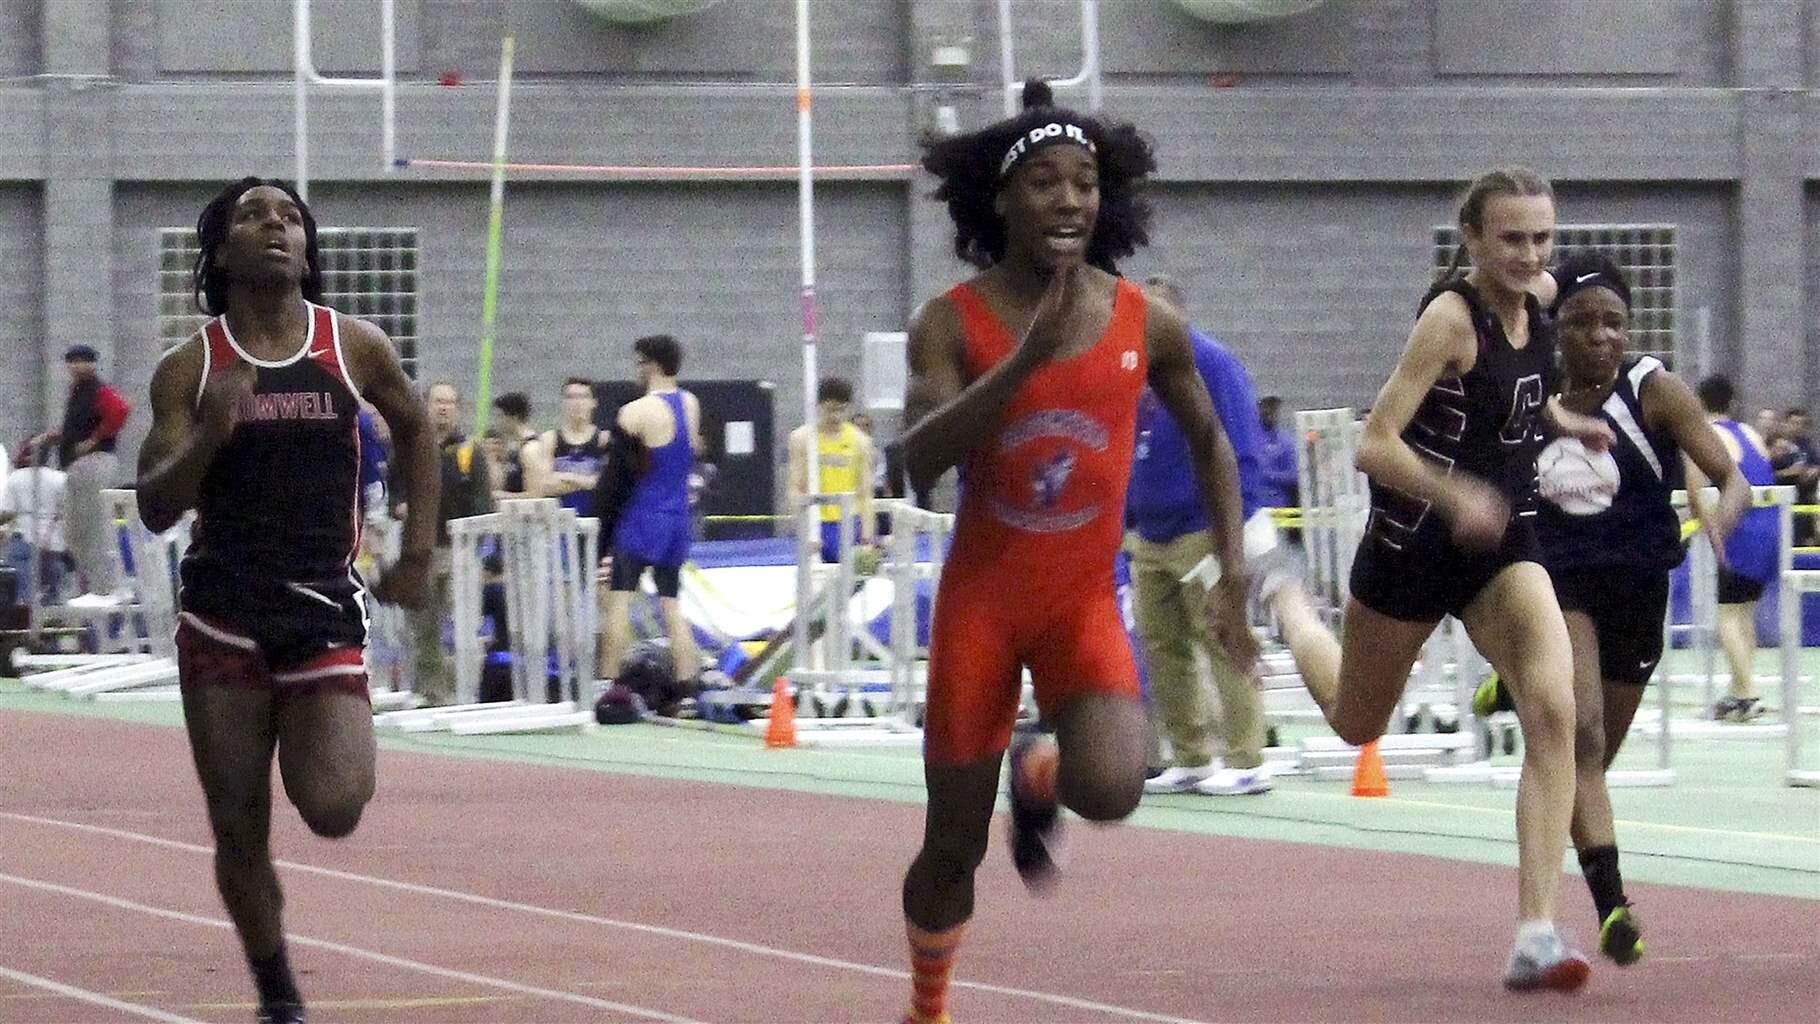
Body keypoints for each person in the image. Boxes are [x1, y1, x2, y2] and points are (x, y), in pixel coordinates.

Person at [890, 80, 1256, 1024]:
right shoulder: (951, 320)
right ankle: (928, 1005)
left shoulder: (1146, 320)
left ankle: (1040, 771)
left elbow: (1212, 441)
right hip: (982, 607)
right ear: (1001, 200)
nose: (1068, 201)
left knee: (1115, 788)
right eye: (1045, 182)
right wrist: (1027, 358)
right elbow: (916, 461)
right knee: (952, 850)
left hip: (1081, 601)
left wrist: (1234, 574)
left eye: (1085, 183)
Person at [1265, 167, 1615, 991]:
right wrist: (1455, 494)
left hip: (1502, 545)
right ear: (1473, 240)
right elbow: (1375, 443)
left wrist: (1565, 424)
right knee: (1356, 722)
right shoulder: (1450, 323)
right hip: (1413, 545)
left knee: (1554, 709)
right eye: (1512, 239)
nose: (1531, 254)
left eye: (1542, 238)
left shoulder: (1542, 302)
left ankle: (1536, 933)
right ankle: (1285, 603)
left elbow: (1517, 400)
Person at [134, 177, 437, 1024]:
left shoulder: (354, 346)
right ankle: (278, 993)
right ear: (220, 252)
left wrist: (419, 551)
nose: (276, 225)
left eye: (291, 217)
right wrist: (208, 434)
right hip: (223, 617)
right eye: (253, 215)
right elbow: (155, 504)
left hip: (320, 609)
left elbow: (416, 427)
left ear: (307, 251)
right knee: (239, 827)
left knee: (336, 807)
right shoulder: (190, 368)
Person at [1506, 255, 1749, 969]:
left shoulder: (1654, 389)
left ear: (1630, 329)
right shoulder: (1535, 395)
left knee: (1589, 760)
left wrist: (1720, 523)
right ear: (1557, 331)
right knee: (1578, 735)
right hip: (1559, 584)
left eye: (1614, 323)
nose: (1600, 336)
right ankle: (1613, 905)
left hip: (1638, 589)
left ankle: (1512, 695)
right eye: (1583, 323)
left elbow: (1730, 476)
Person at [1129, 274, 1274, 797]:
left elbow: (1240, 449)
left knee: (1222, 637)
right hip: (1150, 533)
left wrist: (1232, 536)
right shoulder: (1136, 370)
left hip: (1203, 529)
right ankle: (1191, 756)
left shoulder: (1212, 363)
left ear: (1177, 317)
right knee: (1161, 645)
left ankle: (1247, 758)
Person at [598, 334, 702, 694]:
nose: (637, 371)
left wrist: (603, 530)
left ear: (652, 364)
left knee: (619, 600)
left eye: (639, 363)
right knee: (672, 605)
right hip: (677, 518)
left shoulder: (635, 412)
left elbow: (616, 480)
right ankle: (687, 687)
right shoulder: (690, 403)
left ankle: (608, 687)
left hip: (643, 517)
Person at [1687, 374, 1781, 721]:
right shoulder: (1751, 433)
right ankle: (1739, 689)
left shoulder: (1705, 435)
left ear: (1698, 403)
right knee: (1743, 613)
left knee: (1726, 614)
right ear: (1732, 403)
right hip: (1772, 528)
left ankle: (1748, 693)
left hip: (1741, 530)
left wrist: (1704, 528)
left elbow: (1695, 489)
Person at [408, 381, 493, 706]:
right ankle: (431, 692)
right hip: (421, 550)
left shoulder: (470, 452)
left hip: (460, 550)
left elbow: (483, 503)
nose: (443, 408)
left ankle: (462, 691)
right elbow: (396, 489)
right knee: (423, 625)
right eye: (438, 401)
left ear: (457, 409)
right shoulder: (411, 445)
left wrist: (478, 548)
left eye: (449, 402)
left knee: (464, 622)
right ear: (426, 405)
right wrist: (399, 506)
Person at [36, 344, 132, 606]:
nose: (75, 366)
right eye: (72, 361)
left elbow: (120, 410)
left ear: (91, 364)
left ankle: (104, 588)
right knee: (75, 530)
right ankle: (92, 584)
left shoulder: (97, 390)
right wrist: (59, 436)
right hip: (77, 466)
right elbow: (80, 425)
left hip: (93, 462)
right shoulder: (78, 392)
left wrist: (94, 439)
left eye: (81, 361)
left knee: (93, 526)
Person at [788, 377, 875, 562]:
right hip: (817, 522)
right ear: (819, 406)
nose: (836, 416)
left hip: (849, 521)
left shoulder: (860, 442)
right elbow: (795, 488)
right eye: (830, 410)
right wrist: (803, 529)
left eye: (841, 410)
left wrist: (867, 537)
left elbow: (866, 494)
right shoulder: (801, 439)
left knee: (853, 573)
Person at [2, 440, 70, 605]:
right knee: (53, 597)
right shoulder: (61, 478)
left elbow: (7, 512)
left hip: (21, 540)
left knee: (22, 596)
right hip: (52, 544)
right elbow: (68, 511)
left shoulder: (15, 478)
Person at [537, 377, 606, 517]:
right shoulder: (549, 439)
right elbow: (544, 486)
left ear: (594, 402)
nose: (577, 403)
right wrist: (588, 482)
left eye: (583, 397)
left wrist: (567, 476)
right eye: (571, 397)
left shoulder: (604, 439)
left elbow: (606, 483)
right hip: (560, 521)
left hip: (595, 517)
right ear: (563, 403)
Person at [1770, 407, 1816, 545]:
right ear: (1785, 423)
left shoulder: (1808, 447)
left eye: (1802, 424)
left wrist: (1813, 471)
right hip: (1781, 505)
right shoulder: (1776, 445)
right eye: (1794, 423)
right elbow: (1768, 474)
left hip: (1804, 502)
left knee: (1805, 543)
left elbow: (1815, 464)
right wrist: (1790, 472)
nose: (1797, 427)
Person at [488, 391, 539, 501]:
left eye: (500, 416)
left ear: (513, 417)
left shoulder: (531, 449)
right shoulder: (511, 446)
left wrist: (502, 495)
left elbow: (535, 494)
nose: (497, 422)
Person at [1257, 395, 1299, 516]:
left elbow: (1293, 476)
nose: (1270, 412)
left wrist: (1265, 475)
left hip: (1279, 508)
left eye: (1274, 408)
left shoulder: (1285, 441)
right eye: (1265, 406)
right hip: (1253, 508)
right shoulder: (1248, 438)